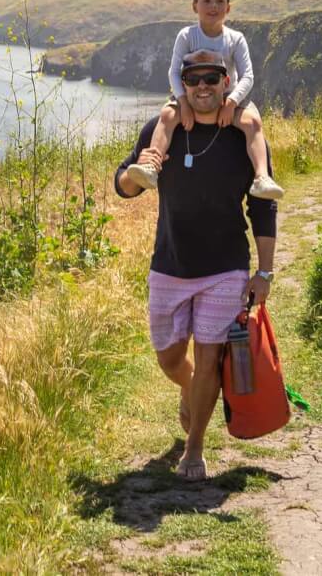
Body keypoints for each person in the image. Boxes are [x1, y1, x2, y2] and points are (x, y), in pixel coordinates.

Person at [115, 48, 278, 481]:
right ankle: (190, 390)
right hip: (170, 263)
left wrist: (264, 272)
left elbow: (262, 210)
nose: (203, 87)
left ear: (227, 81)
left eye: (212, 78)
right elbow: (124, 184)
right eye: (194, 79)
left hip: (226, 268)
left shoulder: (244, 136)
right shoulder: (162, 129)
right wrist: (135, 173)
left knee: (209, 358)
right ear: (182, 83)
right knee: (169, 359)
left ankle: (195, 449)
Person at [125, 0, 284, 201]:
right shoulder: (187, 35)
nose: (213, 6)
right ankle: (152, 166)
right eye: (207, 1)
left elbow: (247, 75)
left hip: (229, 94)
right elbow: (173, 71)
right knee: (168, 116)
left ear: (228, 8)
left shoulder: (235, 39)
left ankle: (261, 177)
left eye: (220, 2)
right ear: (194, 6)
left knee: (253, 122)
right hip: (191, 95)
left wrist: (231, 102)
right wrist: (183, 104)